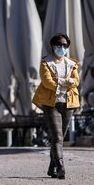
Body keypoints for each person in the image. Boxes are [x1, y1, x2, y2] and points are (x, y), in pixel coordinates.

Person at [32, 33, 80, 180]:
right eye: (59, 45)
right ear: (53, 46)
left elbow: (76, 81)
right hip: (51, 104)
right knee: (57, 136)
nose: (62, 47)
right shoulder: (46, 63)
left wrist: (60, 80)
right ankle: (60, 166)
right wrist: (66, 82)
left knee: (59, 138)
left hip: (69, 103)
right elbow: (47, 83)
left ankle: (52, 167)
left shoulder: (72, 63)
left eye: (65, 45)